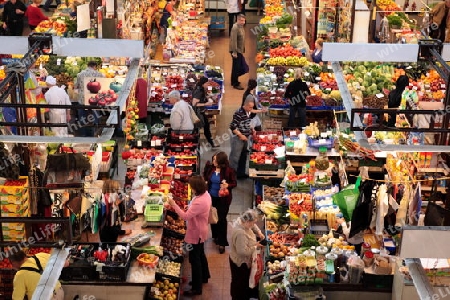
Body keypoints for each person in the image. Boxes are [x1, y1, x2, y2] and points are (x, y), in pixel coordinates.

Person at [168, 176, 211, 296]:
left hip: (195, 233)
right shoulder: (206, 194)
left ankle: (197, 288)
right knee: (201, 255)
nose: (190, 188)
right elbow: (196, 209)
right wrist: (190, 207)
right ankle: (204, 277)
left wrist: (174, 204)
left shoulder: (199, 201)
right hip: (202, 230)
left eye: (191, 187)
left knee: (194, 259)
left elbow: (185, 217)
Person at [203, 151, 237, 254]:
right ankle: (215, 236)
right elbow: (205, 177)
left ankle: (222, 243)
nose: (213, 161)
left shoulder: (229, 171)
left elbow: (234, 183)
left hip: (223, 199)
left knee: (221, 219)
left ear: (220, 162)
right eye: (213, 159)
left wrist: (228, 185)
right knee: (213, 216)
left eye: (215, 160)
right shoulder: (210, 168)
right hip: (211, 197)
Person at [229, 209, 265, 300]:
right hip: (240, 262)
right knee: (239, 283)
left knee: (242, 281)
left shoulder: (241, 221)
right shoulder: (241, 233)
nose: (253, 225)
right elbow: (242, 252)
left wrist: (259, 232)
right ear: (248, 221)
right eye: (253, 223)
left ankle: (245, 295)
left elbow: (254, 226)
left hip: (239, 259)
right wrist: (255, 246)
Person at [229, 97, 255, 179]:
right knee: (235, 157)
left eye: (252, 107)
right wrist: (241, 135)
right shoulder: (238, 113)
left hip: (245, 138)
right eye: (250, 107)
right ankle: (231, 176)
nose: (251, 109)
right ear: (245, 105)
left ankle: (241, 173)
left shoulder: (247, 112)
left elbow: (246, 122)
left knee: (243, 156)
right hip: (238, 139)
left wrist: (251, 129)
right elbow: (232, 127)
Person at [192, 76, 216, 147]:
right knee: (198, 128)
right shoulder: (198, 92)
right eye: (207, 83)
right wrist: (205, 104)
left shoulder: (201, 89)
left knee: (206, 126)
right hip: (197, 113)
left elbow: (214, 92)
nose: (208, 84)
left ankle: (211, 143)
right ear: (203, 84)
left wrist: (208, 97)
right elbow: (194, 104)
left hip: (201, 112)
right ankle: (195, 143)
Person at [229, 14, 246, 90]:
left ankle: (233, 81)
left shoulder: (241, 26)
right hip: (236, 50)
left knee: (236, 66)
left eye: (244, 20)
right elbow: (233, 40)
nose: (243, 22)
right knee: (236, 67)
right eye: (241, 20)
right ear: (237, 20)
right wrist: (234, 52)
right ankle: (235, 83)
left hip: (239, 50)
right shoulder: (235, 27)